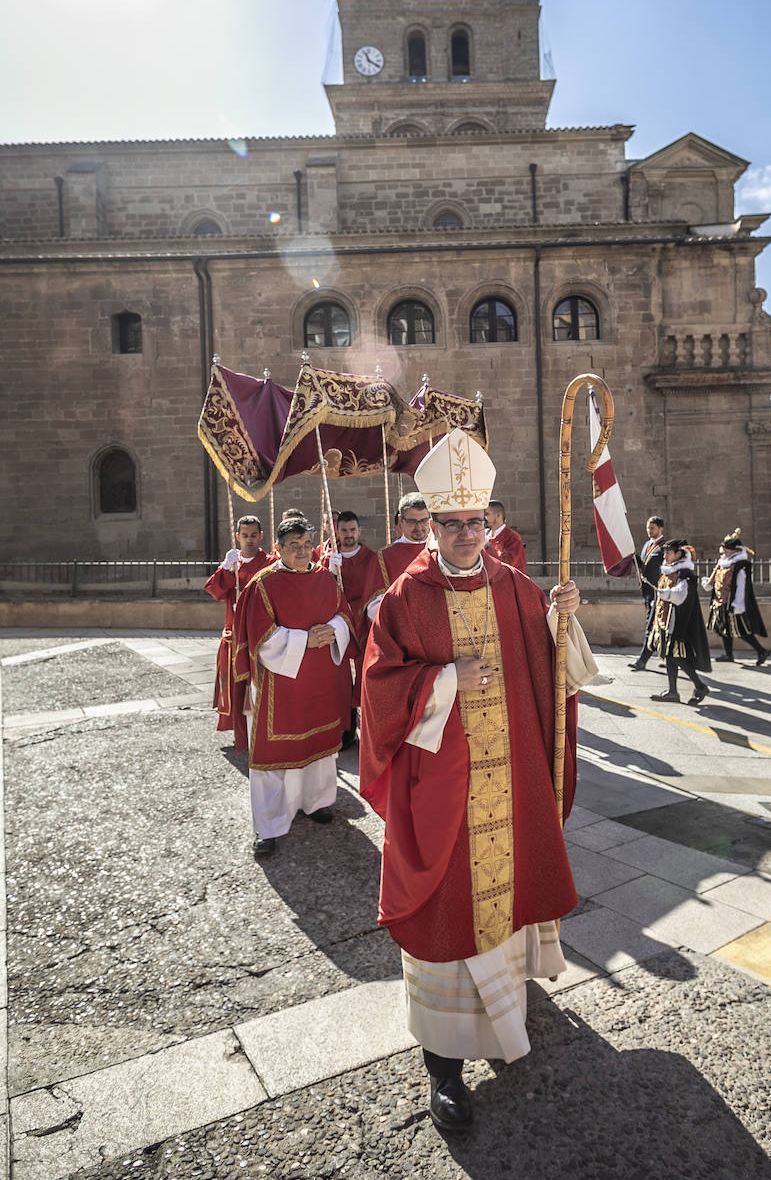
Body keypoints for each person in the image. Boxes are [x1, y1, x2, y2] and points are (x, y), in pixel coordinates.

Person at [360, 428, 595, 1131]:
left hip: (509, 785)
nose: (467, 535)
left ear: (490, 522)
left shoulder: (516, 587)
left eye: (476, 522)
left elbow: (560, 680)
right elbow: (376, 693)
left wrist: (564, 622)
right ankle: (444, 1070)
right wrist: (442, 681)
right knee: (445, 923)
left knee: (504, 906)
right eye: (453, 524)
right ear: (430, 525)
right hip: (442, 797)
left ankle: (506, 1020)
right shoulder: (404, 599)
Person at [234, 516, 354, 857]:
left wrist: (334, 628)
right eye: (293, 547)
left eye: (305, 545)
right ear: (278, 548)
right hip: (279, 685)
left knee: (319, 745)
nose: (301, 553)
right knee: (274, 754)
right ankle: (269, 824)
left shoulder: (325, 578)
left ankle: (316, 802)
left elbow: (344, 614)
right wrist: (305, 640)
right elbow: (260, 637)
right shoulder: (263, 585)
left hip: (319, 680)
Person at [204, 515, 271, 750]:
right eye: (245, 536)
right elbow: (215, 591)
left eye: (254, 535)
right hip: (234, 635)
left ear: (261, 536)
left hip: (259, 637)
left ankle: (261, 733)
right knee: (236, 689)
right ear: (237, 537)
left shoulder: (269, 562)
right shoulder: (233, 564)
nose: (249, 540)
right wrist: (224, 569)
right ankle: (241, 736)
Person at [327, 510, 376, 747]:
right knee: (341, 679)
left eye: (352, 530)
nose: (348, 535)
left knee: (366, 676)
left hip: (364, 624)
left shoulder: (372, 558)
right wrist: (328, 571)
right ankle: (346, 729)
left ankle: (368, 725)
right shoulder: (329, 556)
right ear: (337, 531)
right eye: (344, 530)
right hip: (339, 625)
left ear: (359, 531)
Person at [648, 538, 711, 705]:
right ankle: (673, 691)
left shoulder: (685, 575)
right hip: (666, 620)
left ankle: (699, 685)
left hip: (679, 622)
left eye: (669, 552)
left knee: (675, 656)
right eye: (665, 552)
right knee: (670, 657)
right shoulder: (669, 571)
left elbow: (680, 596)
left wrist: (665, 593)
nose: (666, 555)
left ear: (679, 554)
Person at [358, 492, 430, 628]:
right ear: (400, 520)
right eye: (412, 522)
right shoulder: (384, 557)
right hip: (403, 629)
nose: (419, 527)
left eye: (424, 521)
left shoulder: (439, 550)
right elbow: (373, 608)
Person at [702, 530, 769, 666]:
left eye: (728, 549)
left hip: (732, 603)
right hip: (719, 602)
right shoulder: (723, 563)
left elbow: (741, 586)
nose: (725, 551)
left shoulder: (739, 565)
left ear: (736, 551)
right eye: (725, 548)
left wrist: (738, 604)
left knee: (740, 630)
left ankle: (761, 650)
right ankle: (728, 654)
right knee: (722, 629)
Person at [629, 516, 665, 670]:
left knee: (651, 626)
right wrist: (632, 557)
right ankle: (671, 658)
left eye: (652, 528)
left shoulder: (664, 547)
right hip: (647, 592)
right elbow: (643, 565)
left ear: (660, 529)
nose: (649, 531)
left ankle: (642, 660)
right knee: (658, 627)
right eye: (648, 528)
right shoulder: (646, 545)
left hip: (658, 594)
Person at [484, 500, 526, 571]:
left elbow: (506, 565)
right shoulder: (486, 534)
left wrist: (487, 546)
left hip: (509, 581)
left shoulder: (513, 538)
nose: (484, 518)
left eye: (487, 514)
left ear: (498, 515)